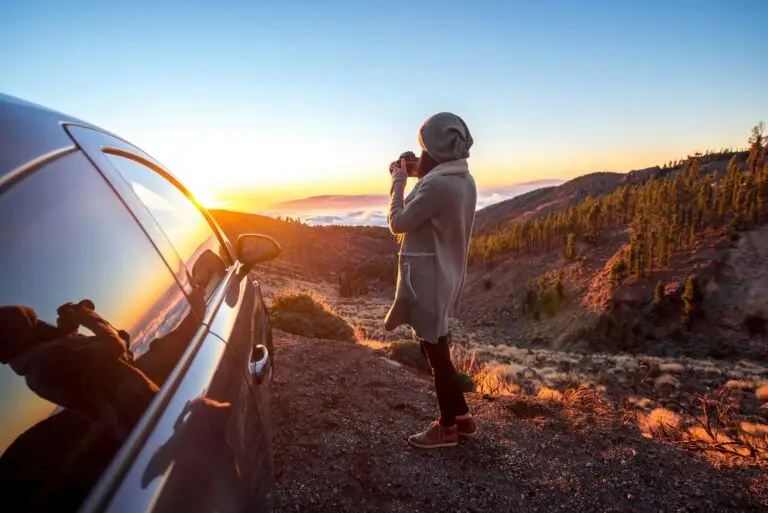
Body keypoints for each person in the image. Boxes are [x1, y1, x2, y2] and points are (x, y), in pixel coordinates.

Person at [385, 112, 478, 449]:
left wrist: (398, 182)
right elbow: (435, 198)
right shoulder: (464, 179)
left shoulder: (438, 185)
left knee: (436, 355)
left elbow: (399, 222)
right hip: (447, 274)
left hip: (429, 279)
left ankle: (446, 428)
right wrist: (415, 173)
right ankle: (463, 418)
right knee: (438, 349)